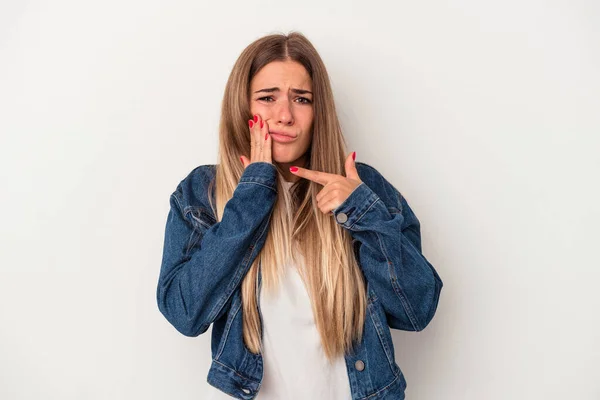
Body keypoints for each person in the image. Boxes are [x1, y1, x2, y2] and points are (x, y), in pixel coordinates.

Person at [156, 31, 443, 400]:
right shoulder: (203, 193)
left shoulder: (361, 187)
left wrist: (363, 214)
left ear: (317, 111)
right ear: (243, 108)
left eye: (301, 99)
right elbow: (185, 313)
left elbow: (416, 310)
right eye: (267, 97)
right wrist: (253, 194)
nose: (285, 115)